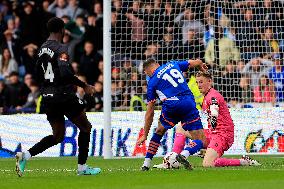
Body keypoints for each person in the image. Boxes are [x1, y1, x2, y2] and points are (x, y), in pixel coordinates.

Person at [15, 17, 101, 177]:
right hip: (63, 95)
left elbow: (37, 73)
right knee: (86, 127)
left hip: (47, 97)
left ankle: (25, 155)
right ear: (62, 30)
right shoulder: (60, 47)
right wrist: (84, 86)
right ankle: (82, 168)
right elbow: (65, 72)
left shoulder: (41, 49)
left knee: (58, 136)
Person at [137, 58, 208, 171]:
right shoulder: (172, 64)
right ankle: (184, 154)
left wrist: (145, 134)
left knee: (159, 130)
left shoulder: (152, 82)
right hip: (188, 103)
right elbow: (197, 62)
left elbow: (150, 111)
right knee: (200, 140)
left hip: (172, 105)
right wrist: (200, 67)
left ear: (147, 71)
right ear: (158, 64)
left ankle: (146, 164)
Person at [182, 71, 260, 167]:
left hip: (222, 134)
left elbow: (214, 107)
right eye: (197, 82)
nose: (199, 85)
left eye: (201, 82)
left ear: (209, 81)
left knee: (207, 164)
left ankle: (244, 161)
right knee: (181, 128)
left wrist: (214, 118)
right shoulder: (205, 96)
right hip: (212, 132)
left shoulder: (212, 96)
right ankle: (179, 157)